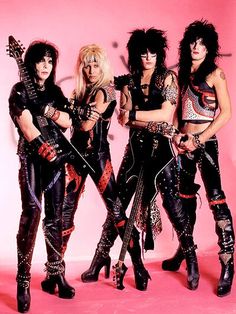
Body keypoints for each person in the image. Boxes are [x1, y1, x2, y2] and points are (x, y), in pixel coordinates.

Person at [81, 28, 199, 291]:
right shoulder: (129, 81)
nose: (148, 57)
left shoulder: (166, 77)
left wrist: (135, 115)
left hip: (162, 152)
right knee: (118, 203)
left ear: (159, 54)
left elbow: (166, 115)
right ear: (136, 55)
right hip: (135, 151)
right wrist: (138, 117)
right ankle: (101, 256)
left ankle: (191, 256)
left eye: (152, 52)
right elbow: (123, 119)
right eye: (143, 52)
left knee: (172, 204)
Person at [60, 44, 150, 291]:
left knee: (117, 212)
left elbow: (86, 125)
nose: (90, 69)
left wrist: (69, 110)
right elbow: (70, 118)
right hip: (75, 158)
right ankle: (56, 270)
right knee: (65, 213)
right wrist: (70, 110)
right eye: (86, 64)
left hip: (99, 159)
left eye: (95, 64)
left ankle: (139, 265)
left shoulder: (107, 90)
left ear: (103, 65)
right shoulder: (81, 91)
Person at [161, 20, 235, 297]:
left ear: (209, 48)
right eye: (193, 42)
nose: (196, 47)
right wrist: (178, 137)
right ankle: (185, 247)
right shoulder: (179, 73)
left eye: (202, 43)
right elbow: (179, 107)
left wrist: (200, 139)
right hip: (183, 144)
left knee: (216, 198)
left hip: (205, 144)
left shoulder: (216, 73)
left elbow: (226, 113)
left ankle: (227, 264)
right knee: (183, 198)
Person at [9, 40, 75, 313]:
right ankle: (23, 281)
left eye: (50, 61)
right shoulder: (20, 90)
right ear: (30, 63)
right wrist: (41, 146)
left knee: (56, 216)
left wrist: (50, 112)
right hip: (33, 160)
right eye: (41, 60)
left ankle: (55, 273)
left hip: (56, 161)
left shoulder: (56, 92)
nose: (46, 66)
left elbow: (67, 121)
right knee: (32, 214)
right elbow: (24, 121)